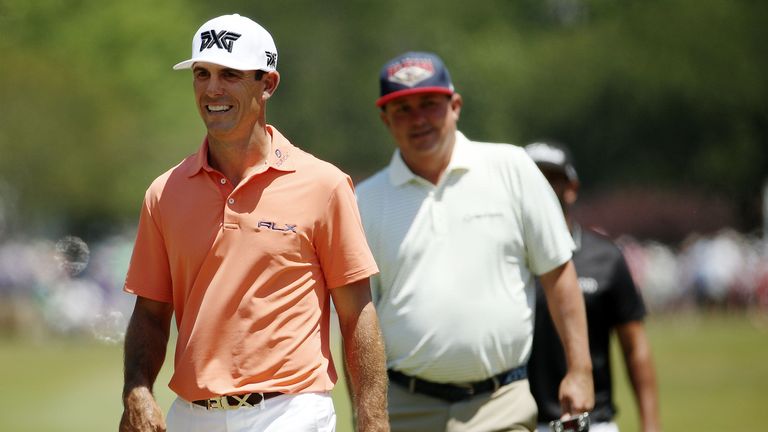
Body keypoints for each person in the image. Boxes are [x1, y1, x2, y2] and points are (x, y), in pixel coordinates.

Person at [119, 14, 389, 432]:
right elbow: (151, 313)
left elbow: (357, 316)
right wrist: (136, 389)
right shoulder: (164, 192)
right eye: (201, 73)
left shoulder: (325, 185)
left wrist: (373, 422)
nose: (212, 89)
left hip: (290, 413)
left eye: (230, 74)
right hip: (192, 416)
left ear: (268, 84)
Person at [355, 51, 594, 432]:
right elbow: (358, 320)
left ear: (455, 106)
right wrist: (366, 413)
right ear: (385, 119)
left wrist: (580, 370)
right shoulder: (363, 200)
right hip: (403, 406)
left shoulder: (512, 168)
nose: (418, 119)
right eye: (402, 109)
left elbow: (559, 274)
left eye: (430, 104)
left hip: (501, 402)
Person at [525, 141, 661, 432]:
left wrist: (650, 425)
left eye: (551, 177)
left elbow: (634, 346)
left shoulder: (606, 257)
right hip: (518, 422)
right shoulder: (505, 256)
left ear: (571, 187)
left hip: (591, 422)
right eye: (532, 177)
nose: (541, 186)